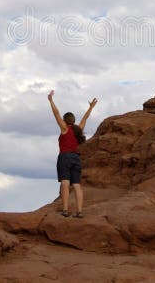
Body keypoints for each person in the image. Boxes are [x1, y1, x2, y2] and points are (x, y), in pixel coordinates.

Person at [48, 89, 96, 218]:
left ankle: (65, 210)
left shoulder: (64, 128)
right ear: (73, 120)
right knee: (76, 185)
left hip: (65, 157)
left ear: (65, 120)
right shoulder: (78, 129)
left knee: (65, 183)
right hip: (76, 158)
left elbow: (56, 113)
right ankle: (79, 212)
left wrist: (51, 100)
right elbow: (85, 117)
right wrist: (91, 107)